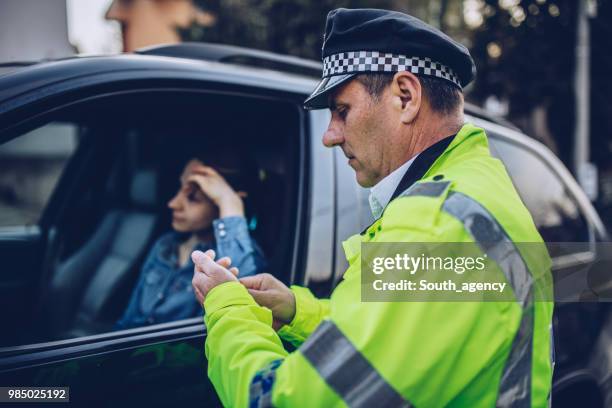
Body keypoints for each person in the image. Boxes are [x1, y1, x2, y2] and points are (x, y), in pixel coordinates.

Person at [191, 8, 554, 407]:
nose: (329, 136)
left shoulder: (431, 229)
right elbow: (411, 336)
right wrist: (298, 311)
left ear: (406, 96)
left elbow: (281, 400)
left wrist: (228, 308)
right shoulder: (475, 190)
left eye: (341, 110)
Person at [115, 158, 266, 330]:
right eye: (180, 187)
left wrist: (229, 202)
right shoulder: (165, 245)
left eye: (193, 197)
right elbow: (128, 319)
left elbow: (241, 310)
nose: (173, 203)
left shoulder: (242, 257)